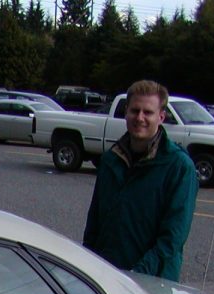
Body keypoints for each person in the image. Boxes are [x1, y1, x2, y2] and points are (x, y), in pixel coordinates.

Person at [83, 80, 198, 282]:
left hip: (152, 283)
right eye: (135, 110)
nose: (140, 118)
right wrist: (88, 266)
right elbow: (94, 223)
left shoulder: (179, 167)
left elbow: (172, 239)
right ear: (126, 111)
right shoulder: (111, 160)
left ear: (161, 116)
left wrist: (136, 276)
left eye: (148, 112)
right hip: (107, 277)